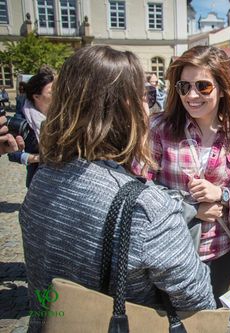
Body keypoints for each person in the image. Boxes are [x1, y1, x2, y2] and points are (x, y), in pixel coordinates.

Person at [20, 45, 215, 332]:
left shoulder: (44, 177)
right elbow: (198, 301)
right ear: (128, 107)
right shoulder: (146, 208)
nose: (149, 106)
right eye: (146, 97)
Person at [147, 45, 230, 307]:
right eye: (184, 87)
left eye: (203, 86)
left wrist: (221, 194)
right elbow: (140, 191)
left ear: (222, 88)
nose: (192, 95)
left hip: (218, 252)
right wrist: (190, 208)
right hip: (167, 253)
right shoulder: (158, 128)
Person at [8, 68, 54, 187]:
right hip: (38, 181)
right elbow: (13, 154)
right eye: (51, 92)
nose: (57, 95)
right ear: (36, 97)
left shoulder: (63, 115)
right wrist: (38, 158)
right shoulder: (21, 121)